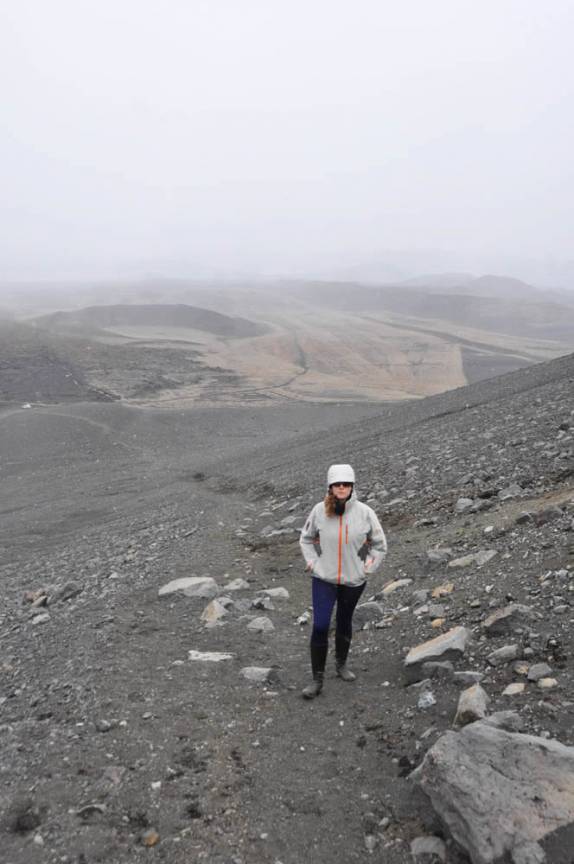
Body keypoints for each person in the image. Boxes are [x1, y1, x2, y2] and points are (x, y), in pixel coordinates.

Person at [299, 463, 387, 699]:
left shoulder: (365, 513)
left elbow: (379, 545)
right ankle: (317, 679)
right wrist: (312, 562)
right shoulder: (319, 511)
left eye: (346, 484)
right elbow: (306, 539)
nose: (341, 488)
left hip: (353, 580)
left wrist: (368, 567)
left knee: (345, 620)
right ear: (330, 486)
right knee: (320, 625)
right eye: (337, 484)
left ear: (352, 486)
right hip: (324, 578)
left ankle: (341, 664)